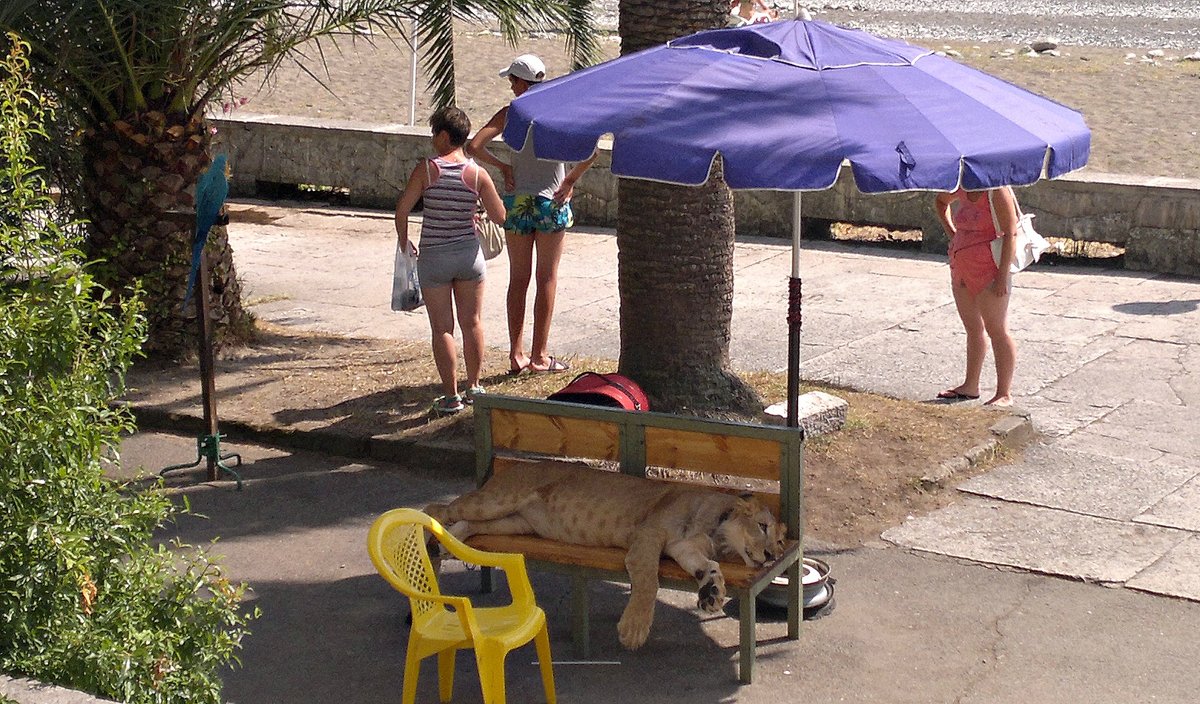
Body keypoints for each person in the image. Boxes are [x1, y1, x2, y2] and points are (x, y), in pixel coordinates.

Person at [467, 54, 597, 375]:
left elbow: (475, 146)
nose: (511, 85)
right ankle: (540, 356)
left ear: (524, 82)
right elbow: (591, 149)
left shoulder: (512, 113)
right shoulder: (559, 110)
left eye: (513, 80)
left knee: (519, 279)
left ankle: (516, 354)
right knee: (547, 278)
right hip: (551, 202)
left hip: (519, 203)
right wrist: (569, 181)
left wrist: (504, 168)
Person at [396, 107, 505, 415]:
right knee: (472, 323)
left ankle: (450, 397)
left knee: (442, 328)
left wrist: (405, 242)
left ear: (444, 136)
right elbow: (500, 216)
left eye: (434, 133)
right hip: (469, 257)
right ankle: (474, 386)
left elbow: (402, 210)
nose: (432, 139)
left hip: (434, 258)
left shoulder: (427, 169)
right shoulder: (477, 173)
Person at [933, 186, 1019, 408]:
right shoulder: (961, 187)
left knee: (997, 330)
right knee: (973, 328)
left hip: (989, 268)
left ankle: (1004, 393)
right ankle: (970, 385)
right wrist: (953, 234)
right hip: (961, 265)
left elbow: (1010, 233)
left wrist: (1002, 276)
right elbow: (940, 203)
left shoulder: (997, 191)